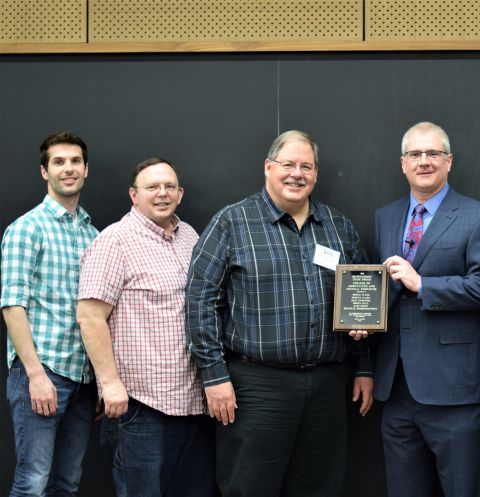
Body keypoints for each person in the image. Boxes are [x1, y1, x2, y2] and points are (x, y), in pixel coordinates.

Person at [186, 130, 373, 497]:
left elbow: (362, 298)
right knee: (249, 486)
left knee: (321, 486)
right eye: (288, 164)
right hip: (256, 387)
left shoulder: (339, 227)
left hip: (327, 386)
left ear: (316, 173)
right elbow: (200, 302)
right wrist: (213, 375)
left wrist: (364, 365)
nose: (296, 174)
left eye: (306, 166)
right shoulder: (232, 223)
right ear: (268, 168)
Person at [367, 121, 480, 497]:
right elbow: (384, 289)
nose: (423, 161)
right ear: (402, 163)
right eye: (415, 154)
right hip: (396, 388)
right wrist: (364, 318)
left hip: (454, 389)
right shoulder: (386, 216)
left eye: (433, 154)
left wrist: (423, 284)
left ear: (449, 161)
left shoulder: (479, 217)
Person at [76, 158, 213, 497]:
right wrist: (109, 384)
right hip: (141, 406)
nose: (162, 193)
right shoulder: (115, 241)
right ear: (133, 195)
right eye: (152, 187)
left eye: (169, 186)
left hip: (192, 402)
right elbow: (90, 316)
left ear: (180, 193)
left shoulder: (190, 236)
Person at [1, 131, 99, 497]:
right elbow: (12, 306)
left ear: (86, 169)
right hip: (43, 376)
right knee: (32, 483)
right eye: (58, 162)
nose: (68, 168)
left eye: (75, 161)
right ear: (45, 172)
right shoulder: (27, 229)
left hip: (82, 381)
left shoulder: (93, 234)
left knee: (66, 484)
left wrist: (100, 381)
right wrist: (34, 376)